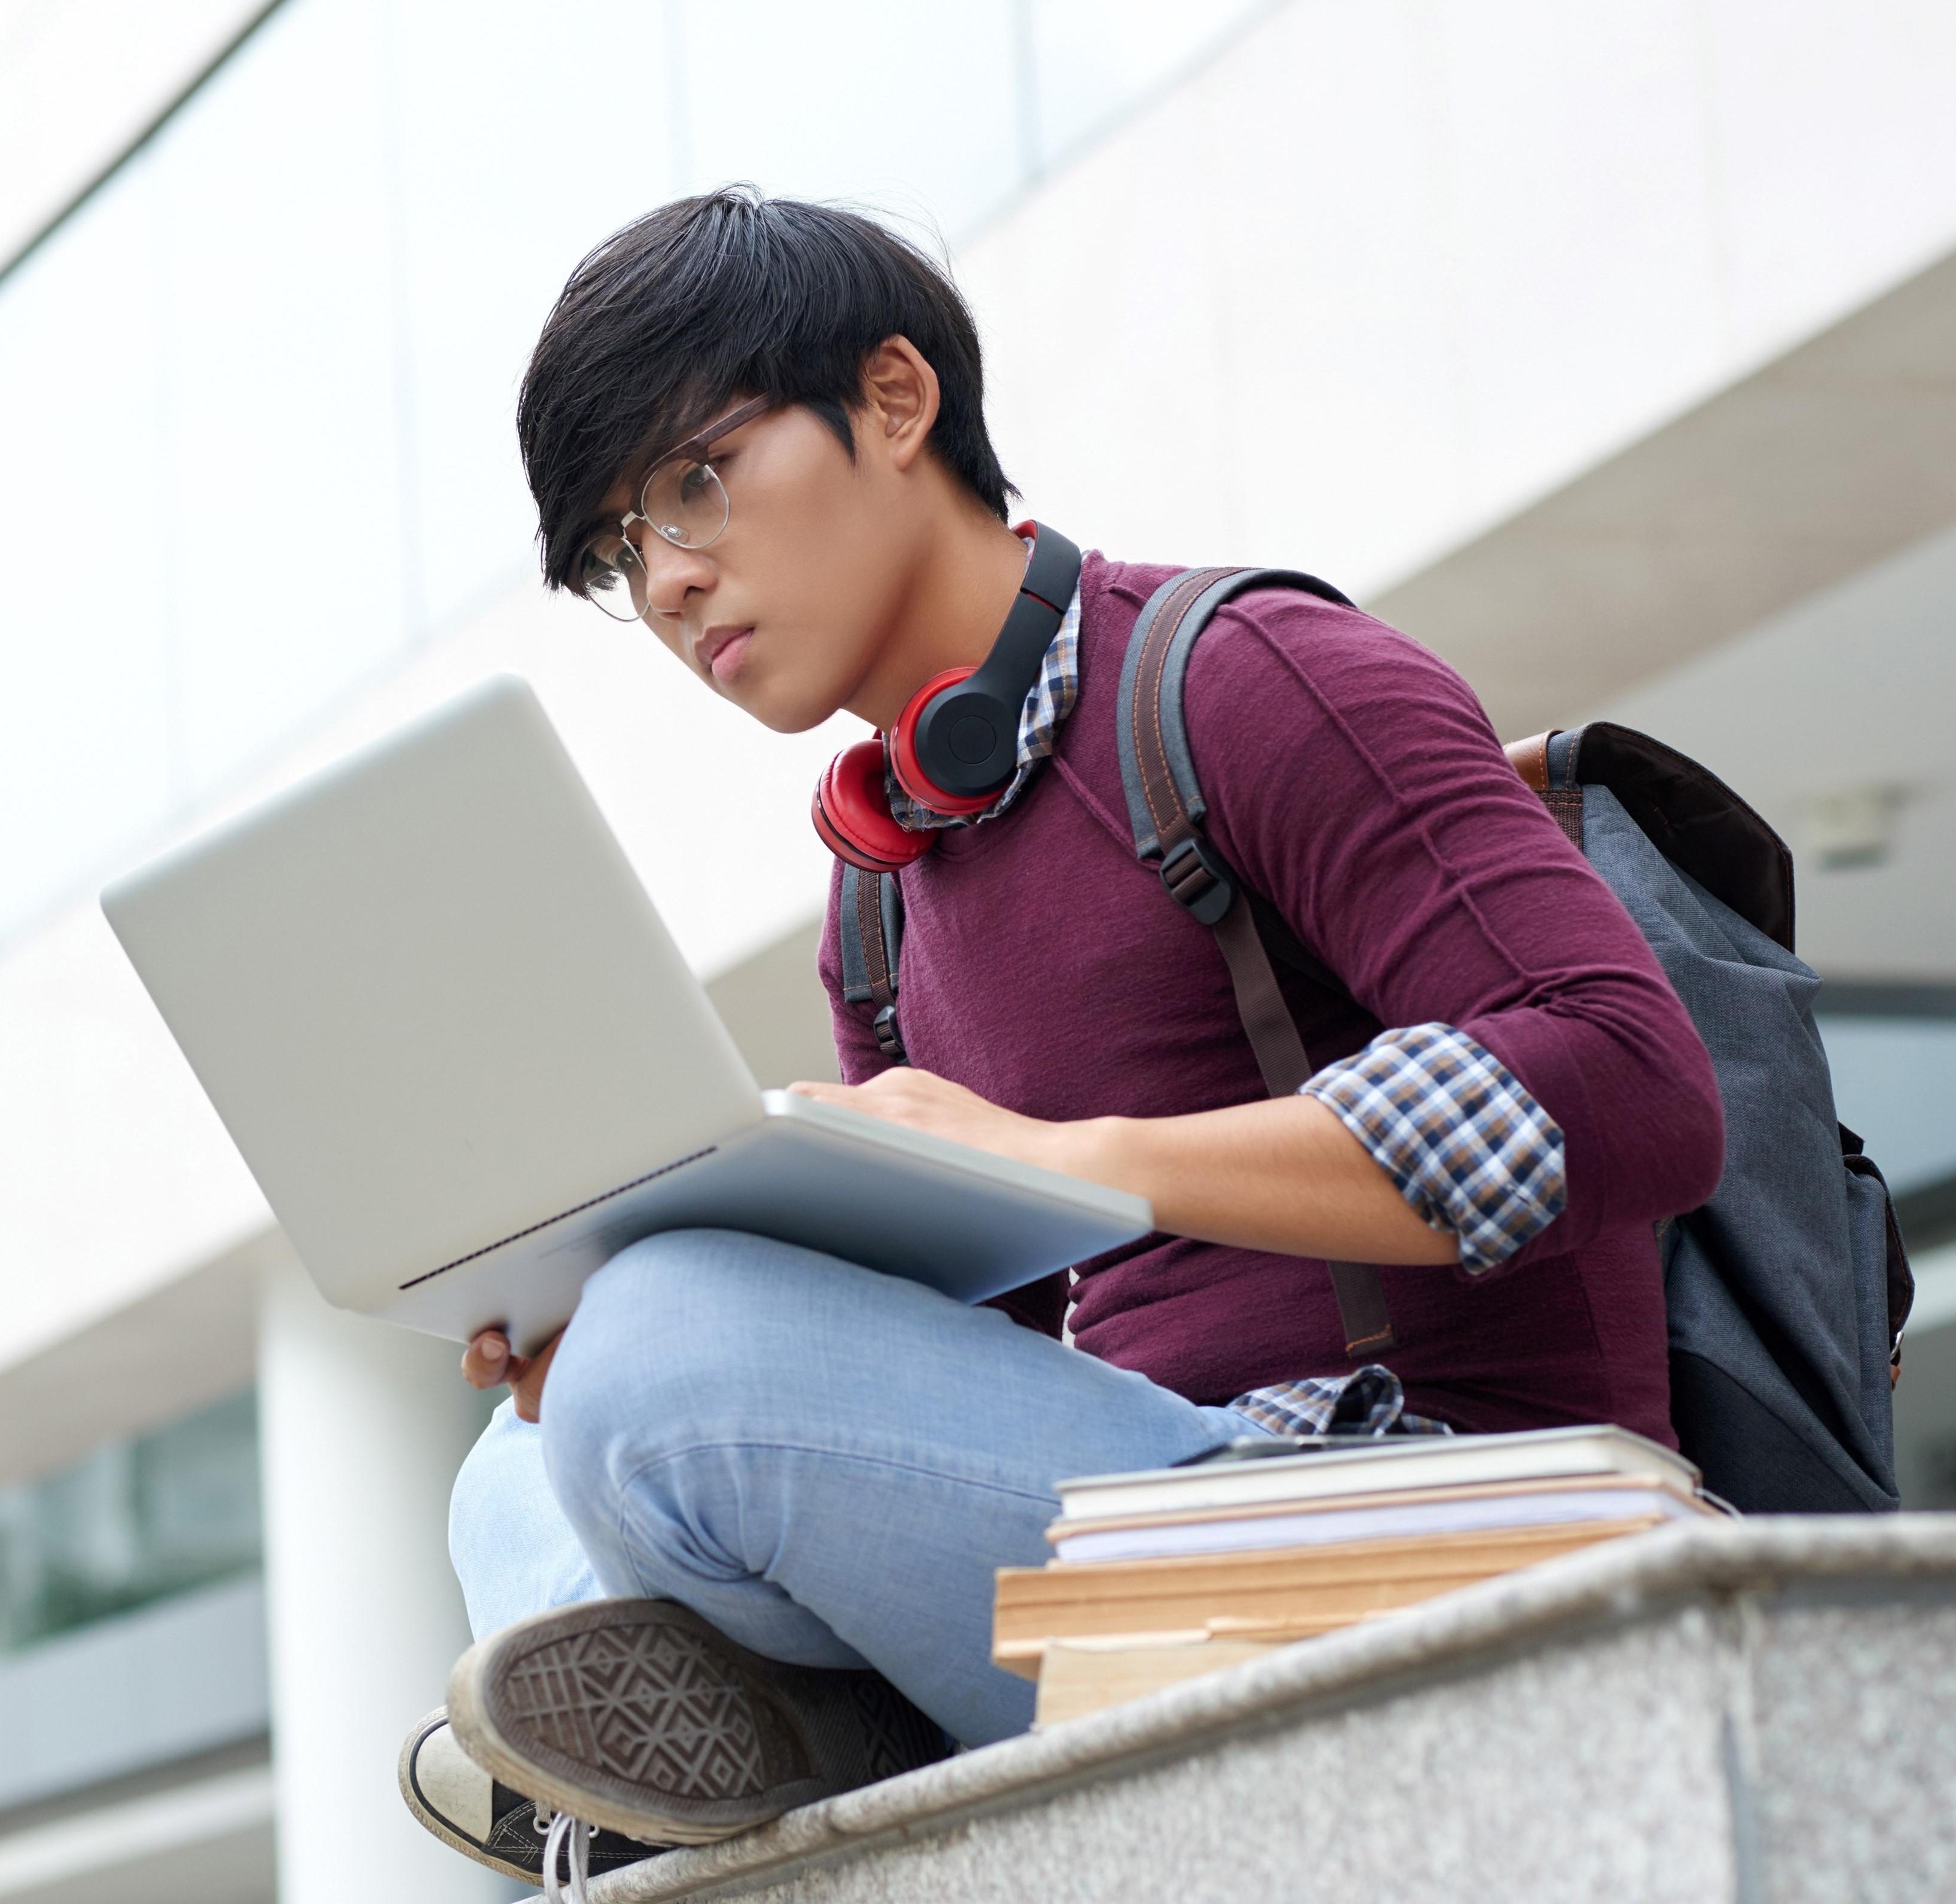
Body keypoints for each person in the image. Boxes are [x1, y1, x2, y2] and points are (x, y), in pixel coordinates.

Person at [405, 187, 1723, 1878]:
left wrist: (1080, 1164)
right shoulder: (885, 889)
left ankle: (813, 1733)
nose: (667, 578)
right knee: (524, 1454)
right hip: (1125, 1543)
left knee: (663, 1359)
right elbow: (954, 1352)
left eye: (692, 481)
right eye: (616, 549)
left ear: (894, 400)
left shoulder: (1242, 675)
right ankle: (783, 1724)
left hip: (1427, 1517)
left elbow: (1628, 1072)